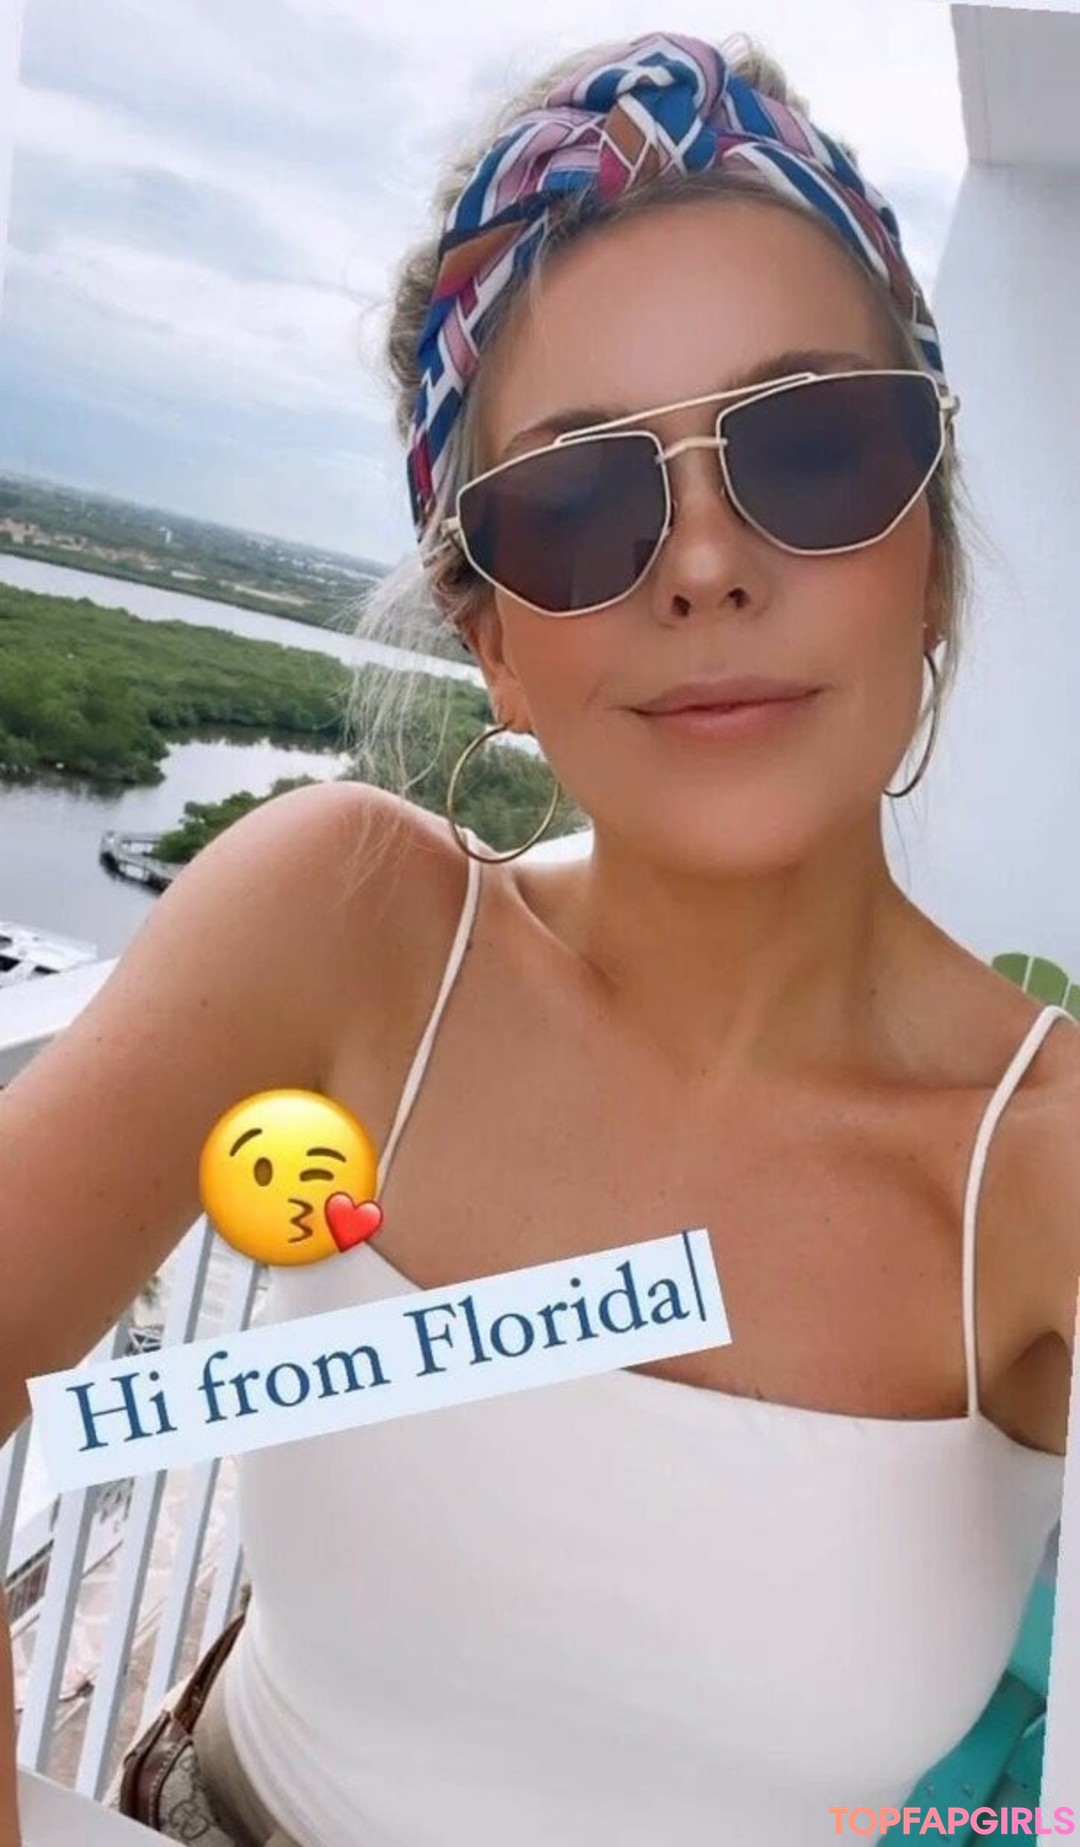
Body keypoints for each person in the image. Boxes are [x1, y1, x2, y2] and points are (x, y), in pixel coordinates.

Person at [2, 27, 1079, 1847]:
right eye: (578, 504)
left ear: (932, 550)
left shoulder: (1035, 1174)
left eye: (815, 450)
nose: (705, 564)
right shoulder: (352, 929)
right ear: (490, 637)